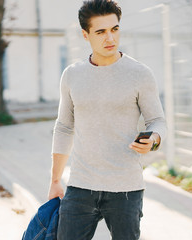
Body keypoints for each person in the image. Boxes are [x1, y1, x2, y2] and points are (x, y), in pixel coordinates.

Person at [48, 0, 167, 239]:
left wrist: (153, 139)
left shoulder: (140, 74)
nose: (110, 38)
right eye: (101, 32)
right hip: (80, 185)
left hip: (125, 188)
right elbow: (63, 127)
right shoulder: (72, 75)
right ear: (85, 35)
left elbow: (157, 121)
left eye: (114, 29)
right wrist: (55, 180)